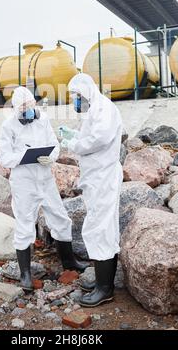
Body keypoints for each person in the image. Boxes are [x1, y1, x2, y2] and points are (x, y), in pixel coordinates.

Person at [0, 86, 87, 291]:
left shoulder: (43, 119)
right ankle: (25, 274)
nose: (28, 111)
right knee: (24, 225)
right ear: (15, 109)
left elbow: (54, 144)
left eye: (30, 106)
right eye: (23, 109)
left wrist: (51, 157)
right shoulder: (8, 126)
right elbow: (4, 157)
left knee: (60, 218)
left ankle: (69, 262)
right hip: (24, 182)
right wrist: (25, 156)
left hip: (45, 178)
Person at [59, 73, 123, 307]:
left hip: (103, 177)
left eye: (76, 96)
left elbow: (99, 139)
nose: (75, 101)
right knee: (99, 226)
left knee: (100, 228)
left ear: (85, 93)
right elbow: (90, 136)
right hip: (97, 177)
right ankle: (101, 282)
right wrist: (74, 135)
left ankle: (104, 289)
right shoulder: (95, 109)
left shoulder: (103, 108)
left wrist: (73, 143)